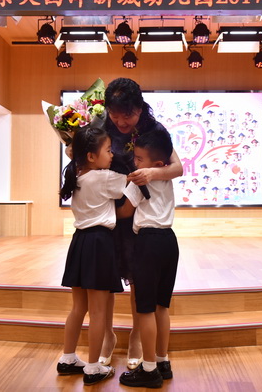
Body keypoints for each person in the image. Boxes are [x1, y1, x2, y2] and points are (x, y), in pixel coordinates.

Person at [99, 78, 184, 370]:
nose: (121, 122)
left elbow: (177, 168)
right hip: (109, 209)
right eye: (114, 115)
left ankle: (137, 336)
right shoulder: (101, 125)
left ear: (139, 108)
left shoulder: (153, 130)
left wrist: (150, 174)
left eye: (127, 115)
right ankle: (107, 335)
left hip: (138, 212)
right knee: (105, 278)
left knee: (139, 280)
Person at [56, 127, 127, 386]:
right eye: (108, 150)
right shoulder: (104, 177)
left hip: (80, 242)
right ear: (91, 156)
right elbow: (129, 180)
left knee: (78, 308)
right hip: (99, 243)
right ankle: (94, 367)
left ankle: (68, 358)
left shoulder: (78, 174)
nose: (112, 154)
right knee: (98, 312)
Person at [117, 128, 180, 388]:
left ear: (157, 163)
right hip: (169, 241)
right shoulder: (166, 178)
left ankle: (149, 369)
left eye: (139, 159)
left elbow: (124, 212)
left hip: (147, 243)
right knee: (162, 306)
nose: (135, 163)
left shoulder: (139, 181)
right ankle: (163, 362)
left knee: (144, 309)